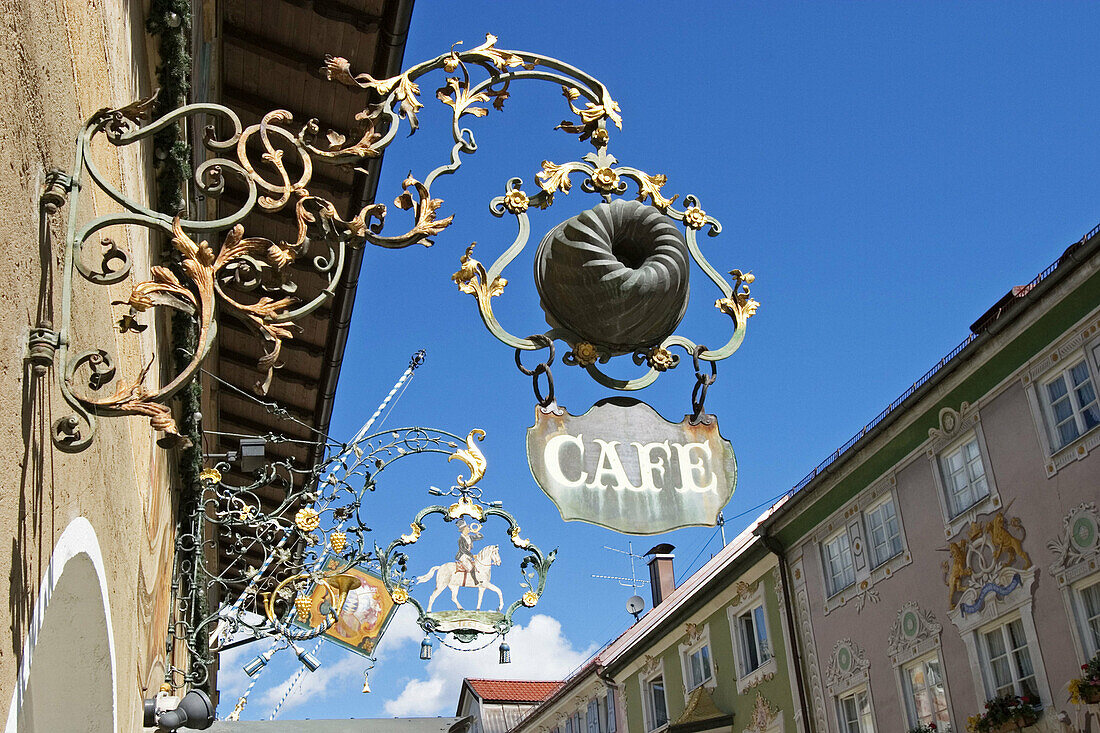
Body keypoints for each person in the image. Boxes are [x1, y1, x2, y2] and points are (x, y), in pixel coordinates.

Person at [455, 520, 483, 585]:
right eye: (467, 527)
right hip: (462, 556)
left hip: (468, 555)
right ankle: (475, 582)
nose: (469, 528)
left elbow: (481, 537)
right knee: (471, 567)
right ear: (464, 529)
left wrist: (476, 532)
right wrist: (472, 555)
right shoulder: (461, 539)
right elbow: (463, 549)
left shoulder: (470, 537)